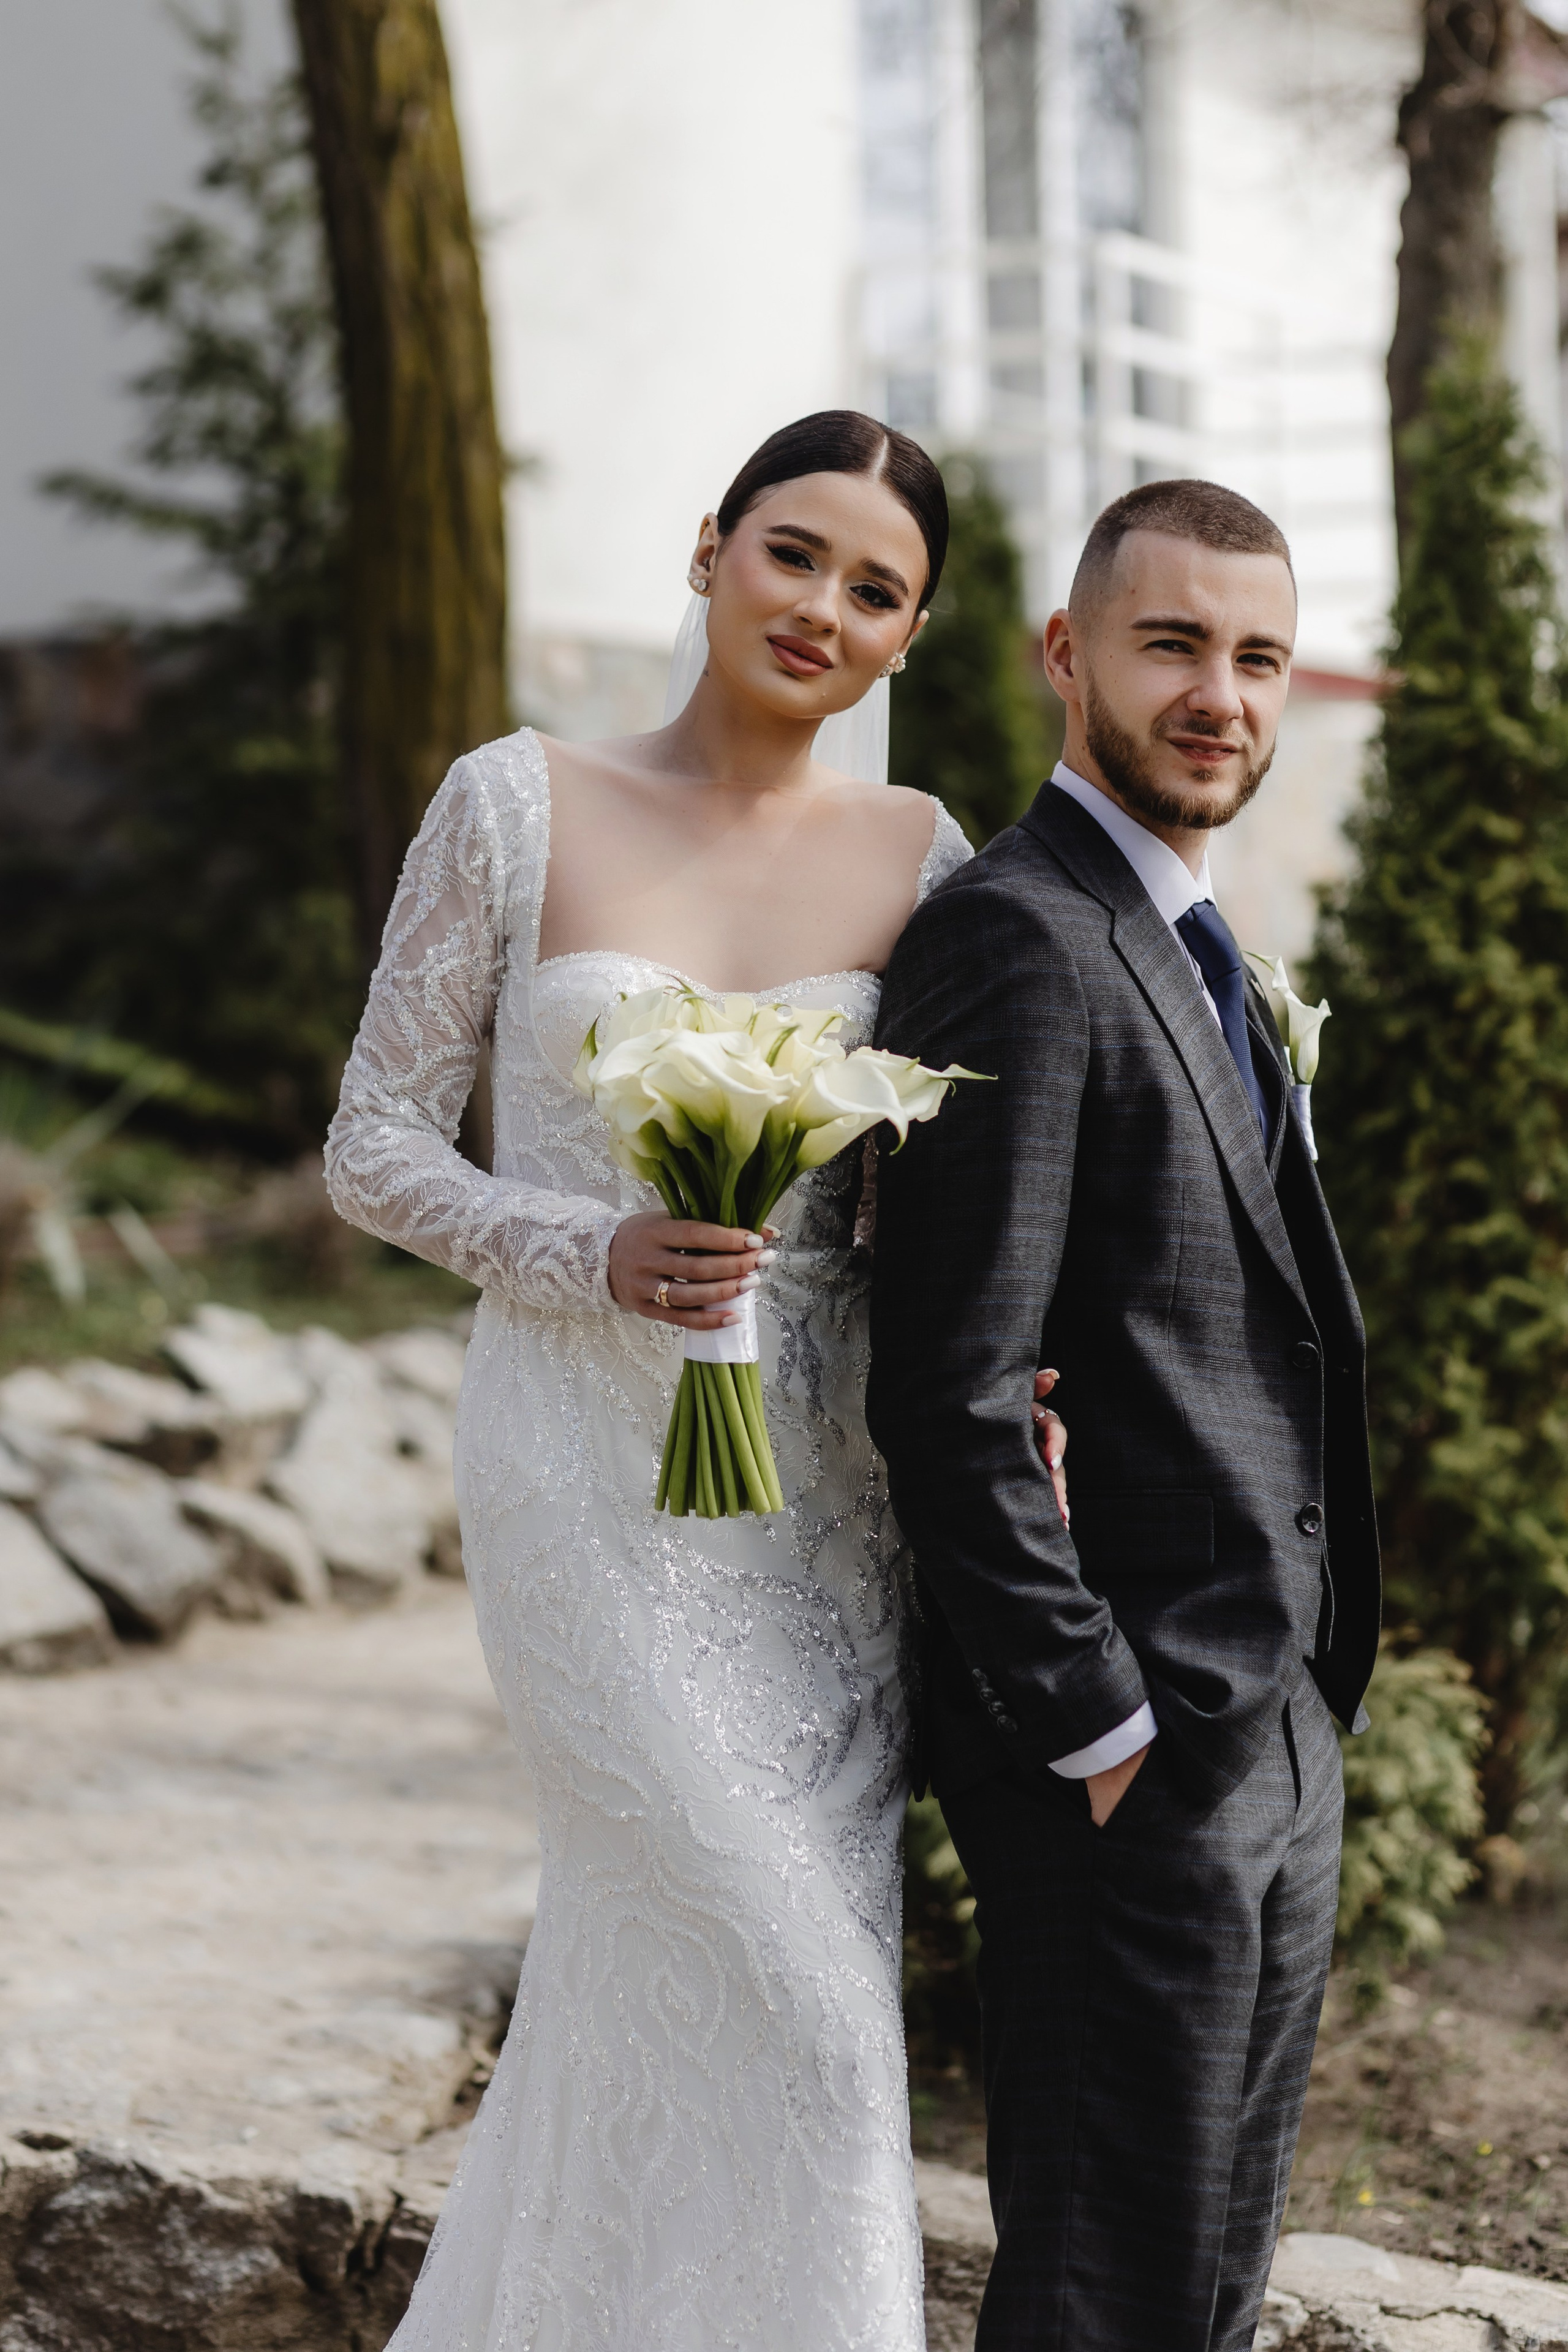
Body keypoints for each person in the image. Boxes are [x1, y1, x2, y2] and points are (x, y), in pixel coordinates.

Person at [325, 410, 1065, 2351]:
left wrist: (1021, 1387)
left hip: (822, 1513)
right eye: (795, 553)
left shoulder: (927, 856)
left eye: (877, 589)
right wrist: (587, 1251)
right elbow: (371, 1144)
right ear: (709, 550)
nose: (825, 606)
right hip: (579, 1472)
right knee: (800, 2013)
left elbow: (949, 1206)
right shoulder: (515, 800)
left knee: (715, 1994)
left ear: (916, 636)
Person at [867, 478, 1381, 2352]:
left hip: (1276, 1718)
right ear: (1068, 656)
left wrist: (1306, 1687)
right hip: (1132, 1753)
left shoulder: (1195, 947)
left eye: (1256, 656)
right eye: (1172, 644)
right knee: (1102, 2291)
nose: (1220, 695)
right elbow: (950, 1383)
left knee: (1207, 2290)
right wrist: (1090, 1716)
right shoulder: (1018, 937)